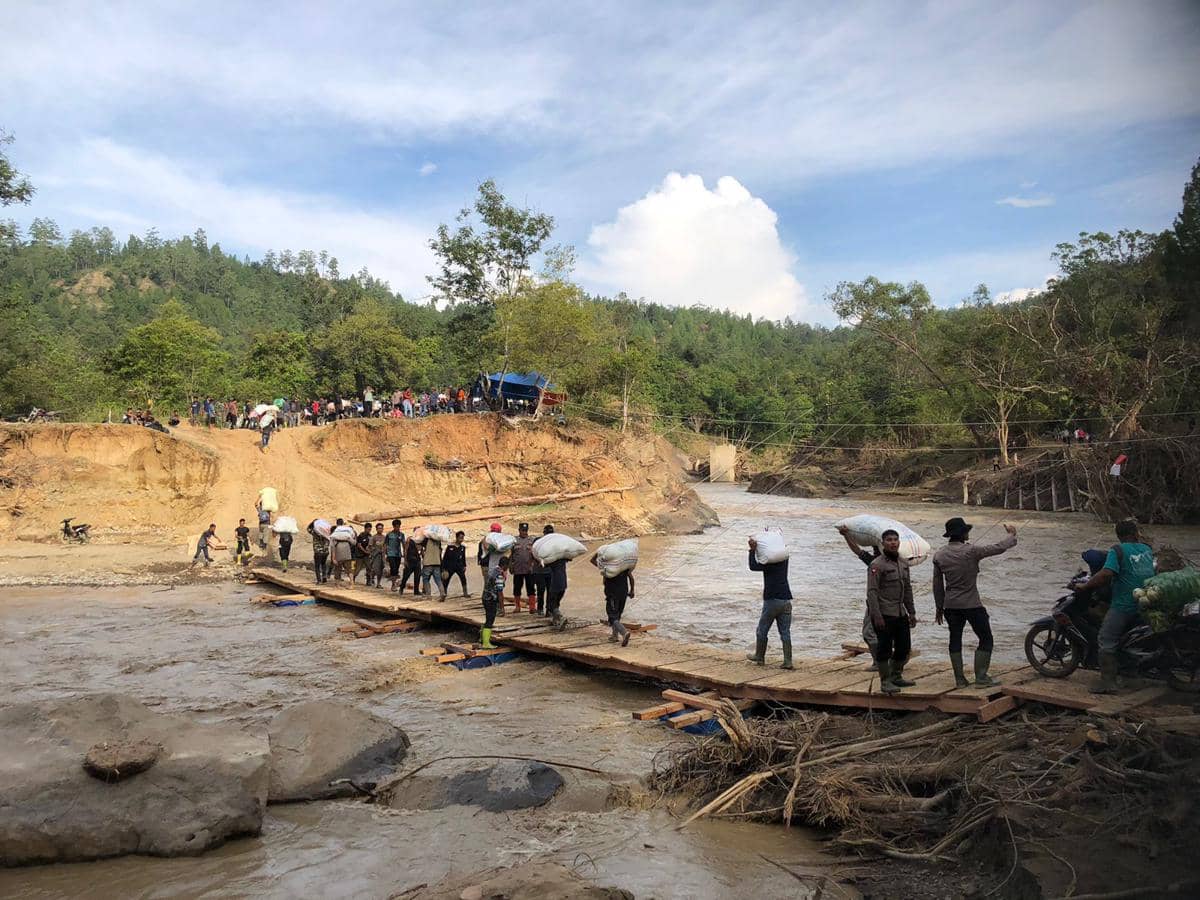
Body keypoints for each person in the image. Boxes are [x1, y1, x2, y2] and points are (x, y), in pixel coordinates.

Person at [932, 518, 1017, 688]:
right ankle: (981, 677)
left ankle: (960, 680)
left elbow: (937, 584)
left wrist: (939, 607)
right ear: (963, 533)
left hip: (951, 605)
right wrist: (1012, 535)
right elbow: (998, 547)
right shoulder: (972, 551)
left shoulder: (939, 555)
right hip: (972, 604)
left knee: (955, 639)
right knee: (986, 639)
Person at [1073, 519, 1155, 694]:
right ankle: (1131, 677)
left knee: (1106, 639)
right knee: (1128, 640)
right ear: (1136, 534)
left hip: (1125, 604)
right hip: (1145, 602)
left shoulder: (1117, 550)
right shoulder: (1147, 549)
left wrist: (1085, 586)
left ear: (1118, 535)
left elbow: (1106, 574)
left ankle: (1108, 682)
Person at [866, 529, 916, 694]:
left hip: (900, 612)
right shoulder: (877, 565)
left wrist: (912, 612)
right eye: (889, 540)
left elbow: (907, 589)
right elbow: (872, 592)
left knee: (904, 648)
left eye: (895, 539)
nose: (893, 543)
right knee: (884, 648)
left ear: (899, 542)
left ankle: (896, 675)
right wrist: (876, 615)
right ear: (883, 543)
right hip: (884, 613)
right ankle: (885, 681)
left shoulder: (903, 563)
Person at [837, 524, 881, 670]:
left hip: (876, 604)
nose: (874, 550)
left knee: (868, 633)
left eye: (876, 548)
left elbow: (857, 550)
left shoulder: (874, 562)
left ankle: (879, 663)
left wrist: (846, 535)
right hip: (892, 604)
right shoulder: (897, 562)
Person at [746, 536, 794, 670]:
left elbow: (753, 566)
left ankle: (759, 657)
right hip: (786, 600)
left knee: (762, 630)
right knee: (785, 632)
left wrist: (752, 550)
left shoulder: (768, 563)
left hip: (772, 600)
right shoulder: (784, 560)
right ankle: (788, 661)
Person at [591, 551, 635, 645]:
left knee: (612, 617)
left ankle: (624, 632)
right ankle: (614, 636)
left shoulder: (607, 567)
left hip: (612, 595)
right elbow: (631, 578)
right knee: (617, 615)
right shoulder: (624, 566)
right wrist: (632, 590)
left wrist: (599, 552)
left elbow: (592, 560)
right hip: (623, 594)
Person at [479, 557, 510, 649]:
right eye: (507, 566)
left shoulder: (493, 570)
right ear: (504, 565)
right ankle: (486, 643)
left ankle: (482, 639)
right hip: (491, 599)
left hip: (485, 597)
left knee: (487, 618)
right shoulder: (499, 575)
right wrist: (502, 607)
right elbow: (500, 592)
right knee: (490, 620)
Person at [477, 523, 508, 616]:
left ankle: (498, 608)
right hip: (501, 569)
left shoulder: (493, 545)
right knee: (498, 589)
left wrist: (484, 540)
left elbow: (486, 547)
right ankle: (498, 607)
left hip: (494, 570)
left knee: (492, 588)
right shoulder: (502, 544)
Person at [510, 523, 538, 614]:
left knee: (531, 588)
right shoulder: (514, 540)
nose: (524, 532)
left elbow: (535, 554)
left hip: (529, 569)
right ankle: (517, 607)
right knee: (517, 588)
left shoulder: (531, 540)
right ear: (519, 530)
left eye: (526, 530)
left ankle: (532, 607)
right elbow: (510, 555)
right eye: (523, 530)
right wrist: (510, 566)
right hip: (517, 569)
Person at [420, 534, 447, 600]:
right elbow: (440, 552)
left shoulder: (426, 540)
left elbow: (420, 546)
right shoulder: (438, 541)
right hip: (437, 562)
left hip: (428, 562)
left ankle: (428, 595)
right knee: (438, 580)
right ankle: (442, 593)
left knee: (425, 579)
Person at [443, 531, 469, 597]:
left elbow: (463, 557)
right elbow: (445, 558)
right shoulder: (450, 547)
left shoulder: (463, 548)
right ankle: (444, 593)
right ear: (456, 538)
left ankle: (465, 593)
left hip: (459, 566)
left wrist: (464, 566)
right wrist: (444, 568)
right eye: (460, 538)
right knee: (446, 580)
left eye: (462, 538)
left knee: (463, 579)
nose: (461, 539)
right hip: (450, 566)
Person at [398, 529, 423, 594]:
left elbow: (421, 550)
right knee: (406, 576)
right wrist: (405, 560)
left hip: (417, 560)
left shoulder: (421, 540)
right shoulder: (410, 539)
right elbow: (405, 550)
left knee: (417, 576)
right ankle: (401, 588)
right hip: (410, 560)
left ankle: (416, 591)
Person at [385, 519, 405, 590]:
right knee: (393, 568)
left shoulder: (401, 535)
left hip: (398, 554)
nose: (397, 528)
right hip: (390, 554)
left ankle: (394, 583)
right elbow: (386, 544)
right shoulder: (389, 534)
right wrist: (385, 554)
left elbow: (403, 544)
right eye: (396, 527)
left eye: (398, 527)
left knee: (396, 569)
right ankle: (393, 584)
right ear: (393, 526)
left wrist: (405, 554)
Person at [308, 520, 330, 584]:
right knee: (323, 564)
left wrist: (313, 523)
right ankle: (324, 576)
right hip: (325, 551)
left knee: (317, 566)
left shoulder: (315, 533)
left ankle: (319, 580)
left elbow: (308, 529)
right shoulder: (327, 534)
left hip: (318, 552)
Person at [367, 522, 386, 588]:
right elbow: (369, 546)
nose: (380, 529)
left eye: (381, 528)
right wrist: (374, 550)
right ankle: (371, 578)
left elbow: (386, 546)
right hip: (375, 556)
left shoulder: (384, 537)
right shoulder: (373, 537)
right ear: (376, 529)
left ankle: (378, 583)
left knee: (380, 570)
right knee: (375, 569)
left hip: (382, 556)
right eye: (379, 528)